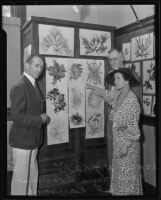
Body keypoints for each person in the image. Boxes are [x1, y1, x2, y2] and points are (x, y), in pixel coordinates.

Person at [86, 68, 143, 195]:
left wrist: (126, 145)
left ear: (127, 80)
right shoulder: (119, 94)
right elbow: (108, 94)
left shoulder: (132, 101)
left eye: (118, 78)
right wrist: (93, 88)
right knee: (120, 178)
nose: (115, 81)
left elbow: (134, 131)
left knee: (127, 180)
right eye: (115, 79)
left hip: (127, 147)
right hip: (118, 144)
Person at [9, 54, 49, 195]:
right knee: (21, 177)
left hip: (32, 138)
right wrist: (39, 120)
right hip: (23, 139)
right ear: (27, 65)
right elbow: (16, 115)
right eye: (36, 65)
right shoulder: (20, 85)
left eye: (41, 67)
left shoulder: (32, 83)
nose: (39, 69)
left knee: (32, 173)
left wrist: (40, 118)